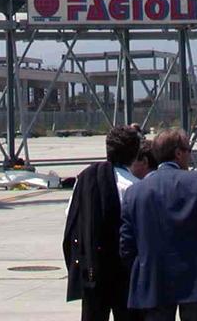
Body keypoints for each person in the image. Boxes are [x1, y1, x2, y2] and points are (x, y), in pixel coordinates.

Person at [120, 129, 197, 321]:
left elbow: (126, 245)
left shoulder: (134, 192)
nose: (190, 156)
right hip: (195, 278)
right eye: (188, 150)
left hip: (154, 279)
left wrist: (142, 265)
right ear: (178, 153)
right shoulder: (196, 181)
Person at [64, 126, 142, 321]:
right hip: (124, 274)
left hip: (92, 269)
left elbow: (71, 215)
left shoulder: (84, 180)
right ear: (134, 154)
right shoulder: (134, 187)